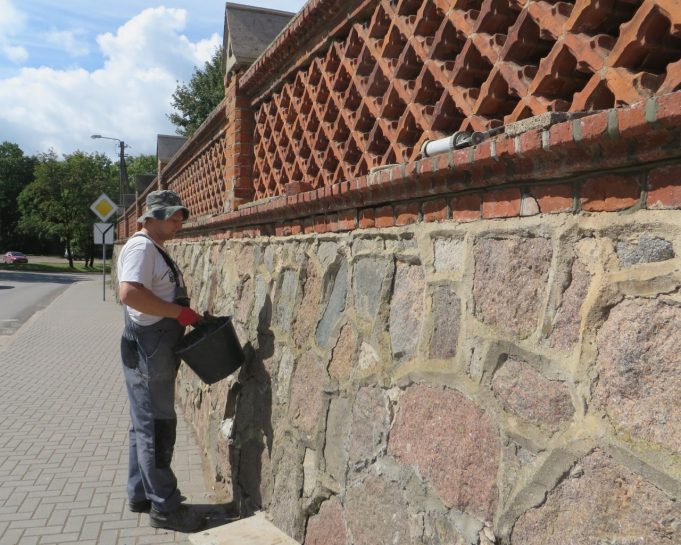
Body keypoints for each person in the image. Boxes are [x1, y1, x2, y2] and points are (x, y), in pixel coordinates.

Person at [117, 190, 204, 533]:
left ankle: (140, 495)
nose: (178, 221)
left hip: (153, 344)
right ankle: (165, 508)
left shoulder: (152, 246)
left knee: (144, 424)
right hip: (149, 346)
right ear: (149, 217)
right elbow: (129, 293)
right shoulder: (141, 247)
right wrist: (179, 312)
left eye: (180, 216)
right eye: (172, 216)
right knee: (156, 425)